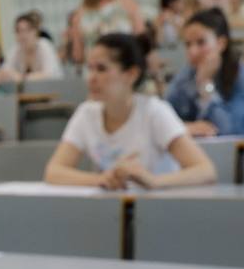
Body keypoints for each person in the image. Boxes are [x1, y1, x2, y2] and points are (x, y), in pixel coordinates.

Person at [44, 33, 215, 191]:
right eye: (90, 69)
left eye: (102, 69)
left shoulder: (154, 112)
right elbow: (54, 171)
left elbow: (205, 170)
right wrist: (101, 179)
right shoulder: (86, 113)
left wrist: (154, 181)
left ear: (131, 74)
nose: (92, 78)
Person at [165, 9, 244, 138]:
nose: (192, 51)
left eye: (201, 42)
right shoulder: (185, 76)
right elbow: (164, 122)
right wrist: (187, 127)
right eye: (188, 44)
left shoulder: (241, 75)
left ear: (221, 43)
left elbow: (230, 129)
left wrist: (205, 83)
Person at [68, 0, 143, 66]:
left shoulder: (79, 14)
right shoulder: (128, 4)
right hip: (124, 70)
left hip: (95, 74)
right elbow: (141, 41)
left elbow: (77, 55)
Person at [0, 12, 62, 84]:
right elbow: (2, 73)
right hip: (29, 93)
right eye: (18, 31)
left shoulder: (44, 46)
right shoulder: (16, 50)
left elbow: (50, 75)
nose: (22, 35)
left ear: (35, 32)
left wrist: (22, 77)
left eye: (26, 30)